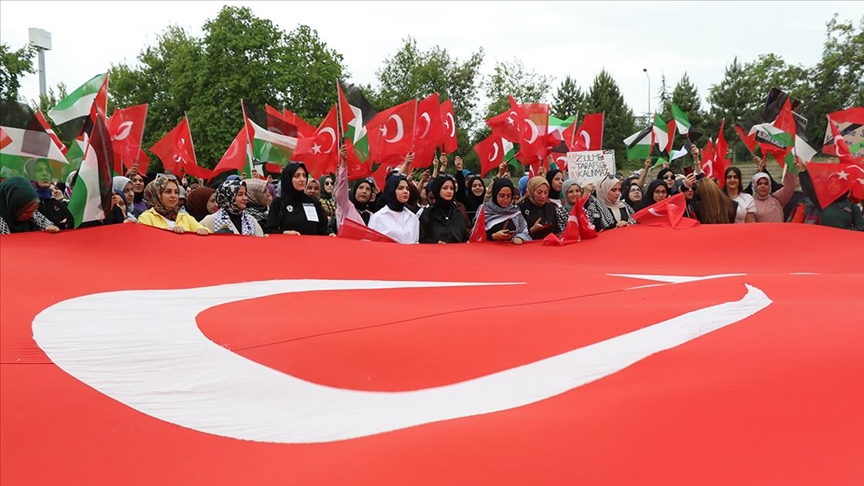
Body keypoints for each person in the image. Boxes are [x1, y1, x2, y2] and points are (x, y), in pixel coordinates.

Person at [795, 158, 863, 231]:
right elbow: (809, 188)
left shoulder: (853, 208)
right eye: (830, 183)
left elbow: (860, 229)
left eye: (836, 183)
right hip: (824, 240)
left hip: (843, 241)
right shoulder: (823, 202)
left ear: (843, 187)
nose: (832, 186)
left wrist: (846, 234)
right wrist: (803, 170)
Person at [266, 162, 330, 235]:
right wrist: (284, 233)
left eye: (304, 175)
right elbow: (270, 231)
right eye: (297, 176)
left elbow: (323, 229)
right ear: (288, 179)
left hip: (313, 245)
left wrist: (329, 235)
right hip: (289, 245)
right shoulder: (279, 203)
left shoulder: (312, 201)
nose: (302, 179)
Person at [138, 174, 209, 235]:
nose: (173, 195)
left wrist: (204, 231)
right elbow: (144, 240)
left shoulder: (184, 217)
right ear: (157, 194)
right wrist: (167, 233)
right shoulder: (146, 217)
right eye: (168, 192)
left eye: (176, 192)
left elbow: (208, 232)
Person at [368, 174, 420, 244]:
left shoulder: (413, 218)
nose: (405, 191)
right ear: (391, 190)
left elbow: (416, 243)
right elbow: (371, 245)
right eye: (400, 188)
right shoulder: (377, 218)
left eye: (407, 188)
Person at [419, 174, 467, 244]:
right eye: (445, 188)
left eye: (452, 188)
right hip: (435, 253)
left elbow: (464, 237)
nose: (449, 191)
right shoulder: (428, 214)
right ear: (437, 189)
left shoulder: (458, 213)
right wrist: (435, 243)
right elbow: (422, 238)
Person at [482, 178, 530, 244]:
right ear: (495, 194)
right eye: (502, 196)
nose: (505, 199)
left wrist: (519, 237)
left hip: (512, 251)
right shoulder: (484, 210)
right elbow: (476, 234)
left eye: (509, 196)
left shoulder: (515, 210)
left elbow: (524, 231)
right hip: (489, 251)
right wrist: (493, 236)